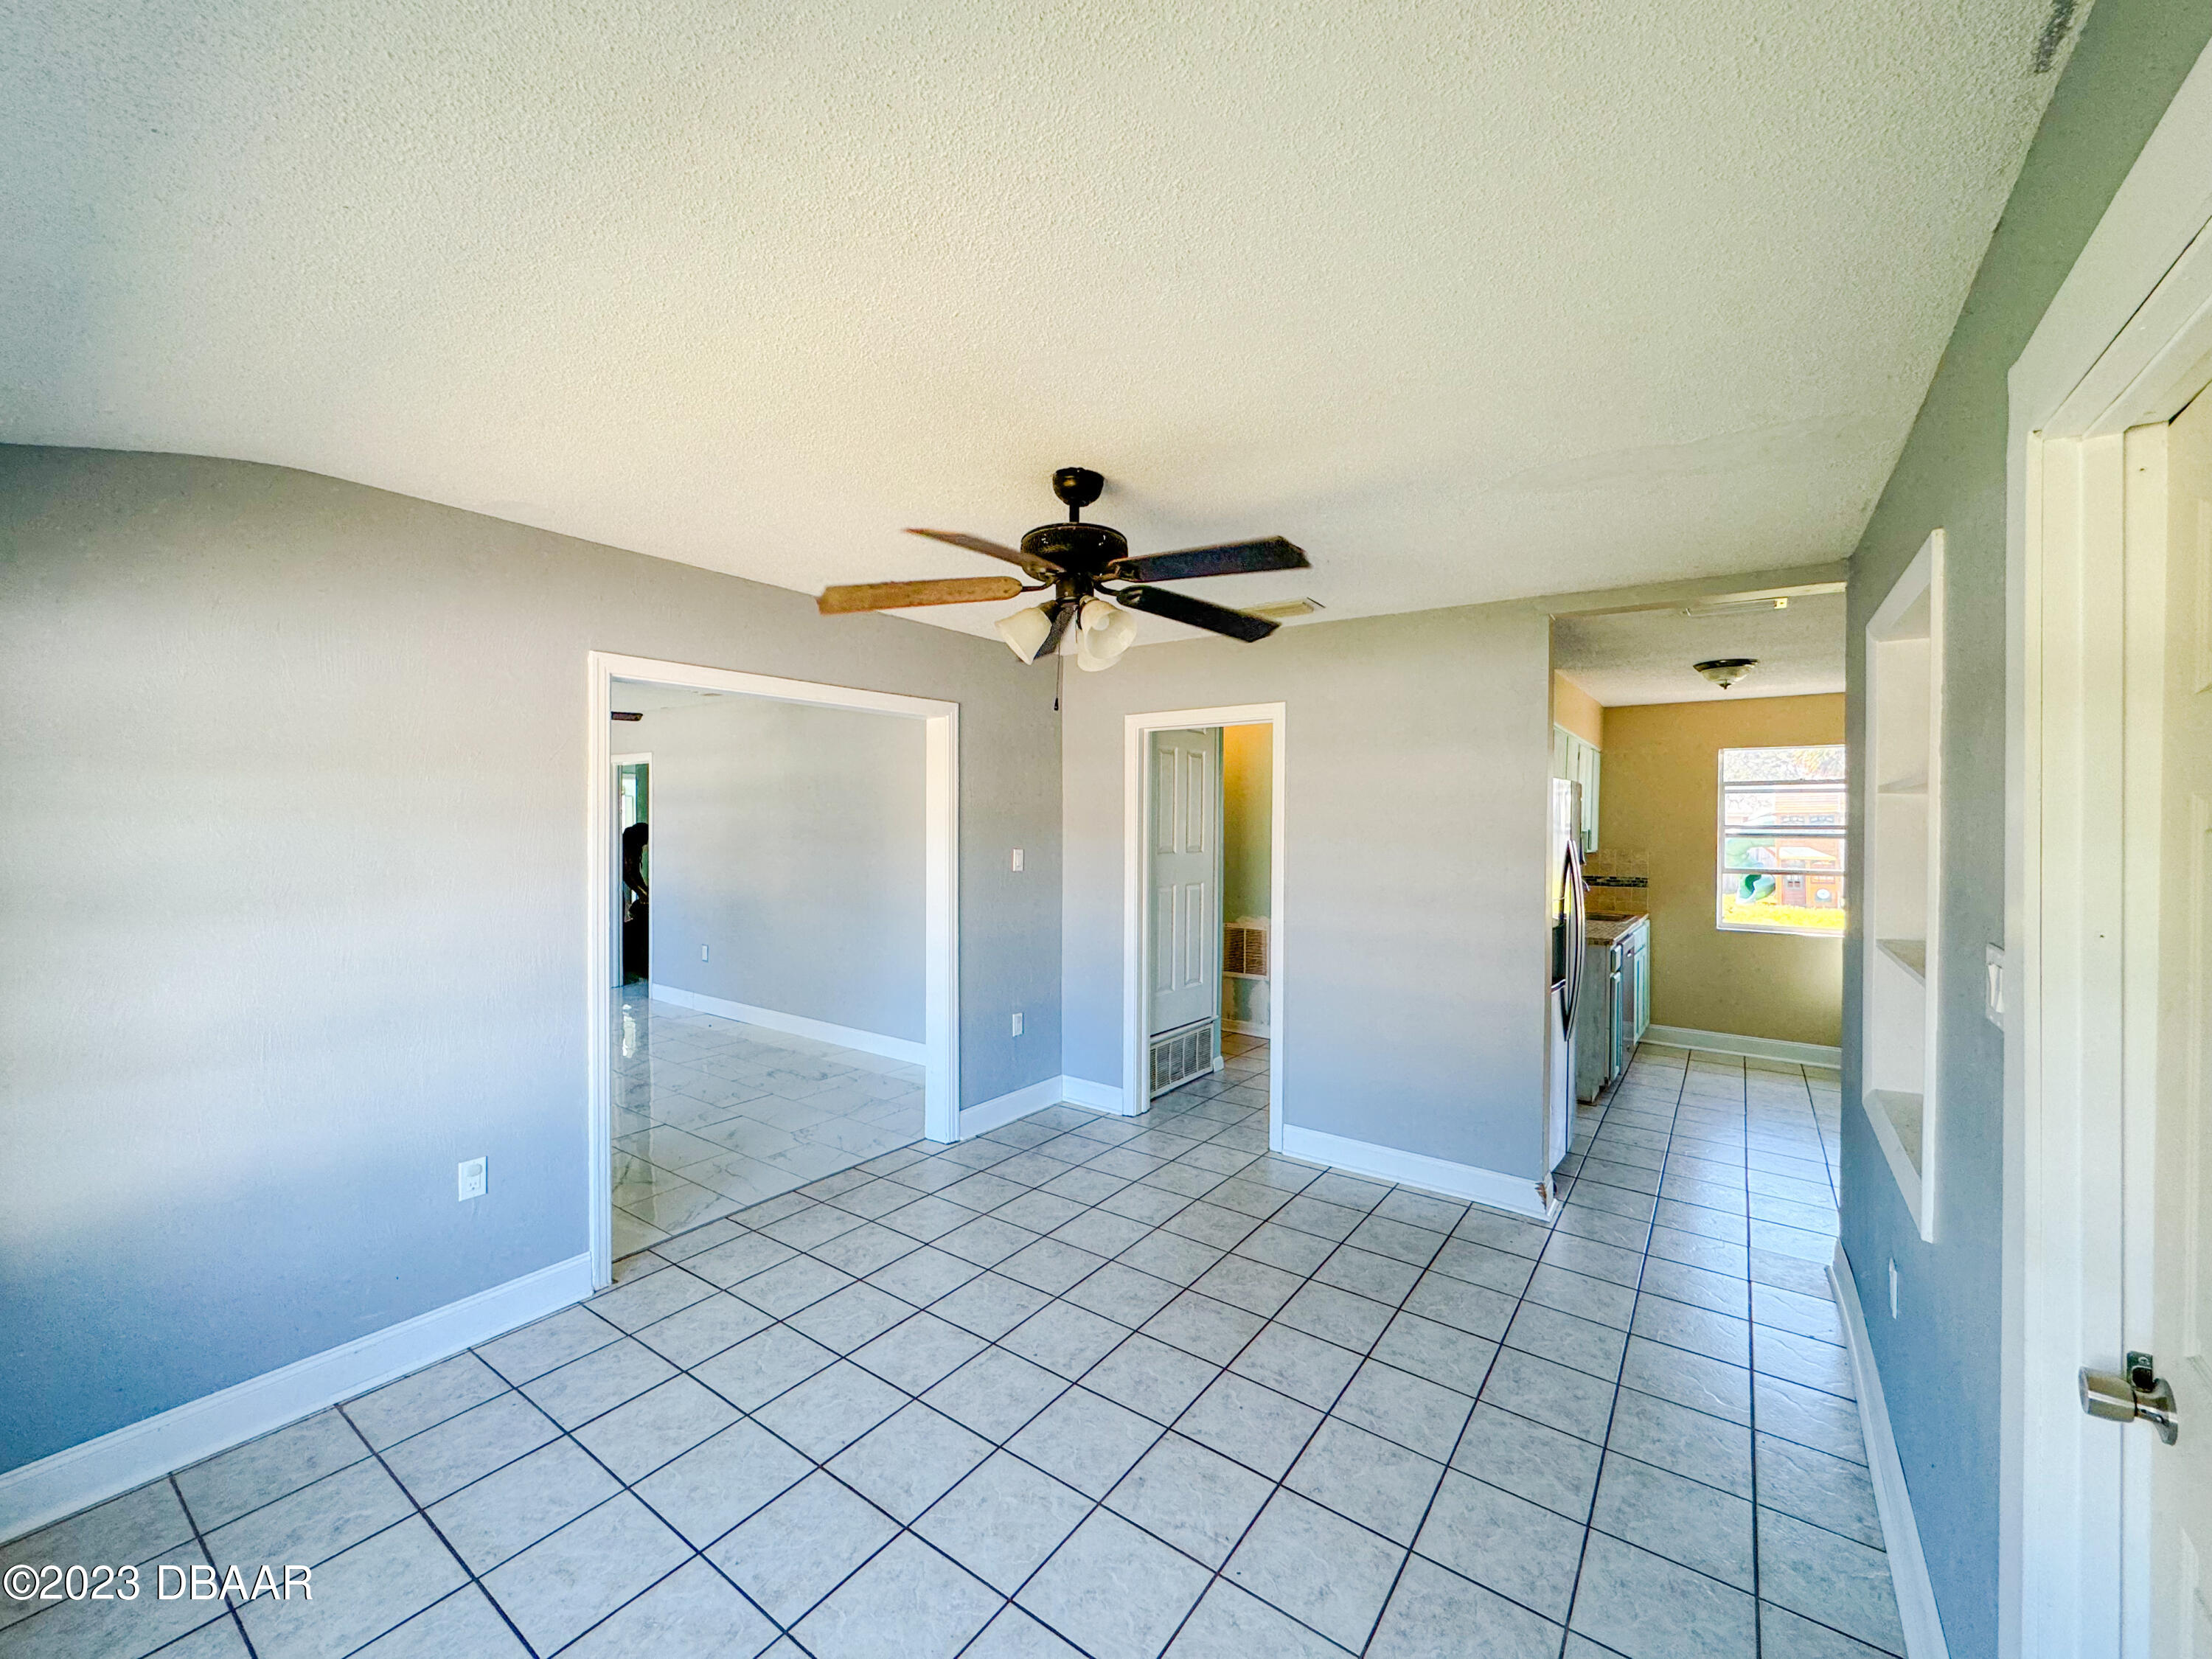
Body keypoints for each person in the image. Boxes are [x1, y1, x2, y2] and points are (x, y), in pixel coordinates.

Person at [621, 821, 650, 981]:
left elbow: (635, 873)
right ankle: (625, 970)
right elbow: (627, 874)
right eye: (645, 840)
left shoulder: (635, 848)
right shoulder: (627, 847)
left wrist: (646, 891)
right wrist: (642, 893)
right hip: (616, 890)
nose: (646, 844)